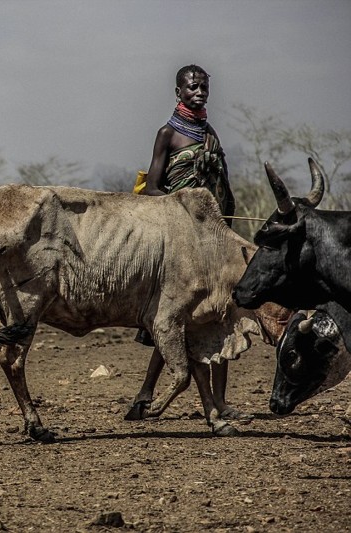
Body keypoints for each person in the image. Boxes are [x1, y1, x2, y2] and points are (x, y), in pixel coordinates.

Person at [128, 65, 245, 422]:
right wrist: (186, 204)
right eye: (193, 86)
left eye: (204, 86)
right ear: (178, 92)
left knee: (217, 314)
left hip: (213, 237)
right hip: (181, 239)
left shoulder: (211, 134)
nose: (200, 91)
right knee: (179, 319)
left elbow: (223, 187)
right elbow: (150, 188)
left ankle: (212, 401)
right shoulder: (167, 134)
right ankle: (153, 395)